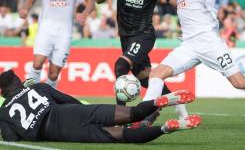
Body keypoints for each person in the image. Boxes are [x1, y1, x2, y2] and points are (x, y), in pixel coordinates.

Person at [96, 0, 188, 122]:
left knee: (120, 66)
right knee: (146, 79)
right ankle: (175, 99)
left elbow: (173, 0)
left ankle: (118, 118)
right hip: (125, 36)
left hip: (144, 34)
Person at [0, 70, 200, 143]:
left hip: (63, 132)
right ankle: (160, 100)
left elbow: (11, 139)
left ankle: (166, 128)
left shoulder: (4, 112)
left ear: (2, 92)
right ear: (19, 81)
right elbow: (68, 100)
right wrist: (85, 111)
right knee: (132, 113)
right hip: (74, 112)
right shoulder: (39, 87)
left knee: (124, 136)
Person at [18, 0, 94, 88]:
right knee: (37, 63)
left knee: (53, 74)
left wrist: (84, 14)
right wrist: (24, 10)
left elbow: (90, 1)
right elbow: (30, 0)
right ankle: (27, 93)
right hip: (45, 30)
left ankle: (48, 100)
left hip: (64, 33)